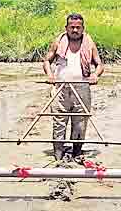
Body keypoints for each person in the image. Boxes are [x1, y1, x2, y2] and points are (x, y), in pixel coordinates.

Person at [42, 13, 105, 162]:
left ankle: (77, 154)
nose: (75, 30)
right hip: (60, 89)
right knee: (58, 122)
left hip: (82, 88)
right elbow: (46, 61)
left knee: (80, 123)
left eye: (78, 27)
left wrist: (95, 75)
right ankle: (58, 157)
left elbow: (99, 64)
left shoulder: (89, 42)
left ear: (83, 28)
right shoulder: (59, 41)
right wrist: (50, 75)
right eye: (72, 27)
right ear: (67, 28)